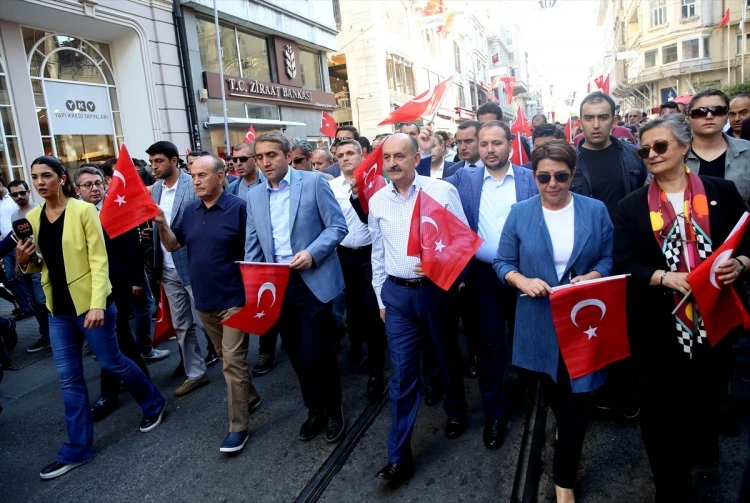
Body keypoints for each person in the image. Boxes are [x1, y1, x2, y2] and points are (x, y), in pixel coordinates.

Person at [613, 114, 750, 500]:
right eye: (644, 151)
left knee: (707, 399)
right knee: (660, 412)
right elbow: (624, 265)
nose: (652, 155)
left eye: (660, 146)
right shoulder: (630, 206)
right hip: (659, 327)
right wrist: (662, 277)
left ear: (685, 147)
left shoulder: (722, 191)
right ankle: (670, 486)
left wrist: (741, 264)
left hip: (714, 321)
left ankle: (702, 450)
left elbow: (746, 241)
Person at [17, 156, 166, 481]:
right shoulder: (32, 218)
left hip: (92, 306)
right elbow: (39, 266)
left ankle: (154, 403)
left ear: (61, 178)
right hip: (59, 311)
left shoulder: (83, 211)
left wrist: (98, 304)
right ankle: (77, 449)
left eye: (46, 175)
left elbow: (99, 261)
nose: (40, 182)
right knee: (69, 379)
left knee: (114, 362)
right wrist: (24, 260)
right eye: (35, 177)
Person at [494, 139, 613, 502]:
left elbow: (609, 259)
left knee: (578, 403)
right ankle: (564, 432)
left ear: (573, 174)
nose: (552, 184)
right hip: (538, 322)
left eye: (561, 176)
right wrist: (522, 280)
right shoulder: (520, 212)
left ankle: (563, 480)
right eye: (543, 177)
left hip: (582, 322)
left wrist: (593, 275)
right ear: (534, 177)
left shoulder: (595, 210)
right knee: (557, 397)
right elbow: (502, 262)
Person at [369, 133, 468, 483]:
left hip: (436, 291)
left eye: (399, 156)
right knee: (403, 375)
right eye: (387, 157)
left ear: (415, 159)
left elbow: (463, 241)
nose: (392, 163)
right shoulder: (378, 200)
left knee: (445, 355)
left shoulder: (441, 191)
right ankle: (399, 457)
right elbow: (377, 252)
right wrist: (380, 298)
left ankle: (456, 409)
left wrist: (441, 264)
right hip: (397, 297)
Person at [245, 132, 348, 443]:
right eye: (259, 157)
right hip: (276, 286)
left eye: (272, 155)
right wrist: (253, 286)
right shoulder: (254, 195)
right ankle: (314, 409)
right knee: (294, 352)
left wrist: (312, 253)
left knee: (317, 350)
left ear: (288, 156)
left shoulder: (314, 183)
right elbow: (253, 244)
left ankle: (333, 410)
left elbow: (337, 226)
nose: (265, 162)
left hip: (312, 280)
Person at [156, 155, 261, 453]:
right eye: (193, 175)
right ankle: (250, 396)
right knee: (226, 357)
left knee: (233, 362)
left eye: (202, 175)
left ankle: (238, 427)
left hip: (235, 298)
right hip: (204, 300)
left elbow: (255, 249)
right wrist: (162, 224)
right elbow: (173, 244)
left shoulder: (240, 208)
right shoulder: (189, 210)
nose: (196, 181)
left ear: (220, 176)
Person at [445, 120, 538, 450]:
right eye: (483, 144)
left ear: (510, 145)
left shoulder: (531, 179)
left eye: (496, 143)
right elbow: (427, 190)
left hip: (525, 274)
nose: (489, 150)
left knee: (527, 338)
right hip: (483, 277)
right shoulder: (462, 180)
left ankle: (532, 392)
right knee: (489, 346)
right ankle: (494, 414)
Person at [573, 91, 647, 420]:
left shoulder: (633, 156)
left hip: (629, 254)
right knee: (595, 325)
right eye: (589, 117)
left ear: (614, 120)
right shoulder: (570, 160)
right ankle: (604, 387)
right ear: (580, 122)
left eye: (603, 117)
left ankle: (628, 390)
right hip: (589, 257)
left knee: (630, 326)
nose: (596, 124)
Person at [148, 141, 213, 395]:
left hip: (193, 265)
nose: (154, 167)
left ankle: (232, 363)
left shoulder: (192, 183)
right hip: (166, 268)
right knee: (182, 326)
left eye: (159, 161)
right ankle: (195, 373)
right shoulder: (156, 189)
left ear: (174, 161)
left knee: (206, 321)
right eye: (152, 162)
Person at [329, 139, 386, 403]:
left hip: (371, 255)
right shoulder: (330, 187)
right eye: (340, 154)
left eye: (350, 153)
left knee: (372, 311)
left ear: (362, 155)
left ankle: (376, 370)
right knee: (352, 308)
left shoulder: (377, 183)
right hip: (343, 256)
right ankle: (355, 346)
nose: (345, 158)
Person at [5, 180, 50, 352]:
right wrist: (18, 262)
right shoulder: (14, 216)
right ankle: (45, 336)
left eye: (22, 193)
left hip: (41, 263)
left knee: (42, 300)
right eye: (15, 194)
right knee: (34, 303)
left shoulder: (40, 210)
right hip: (25, 264)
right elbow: (19, 241)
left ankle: (58, 334)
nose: (19, 196)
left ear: (28, 192)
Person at [686, 88, 750, 201]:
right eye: (700, 112)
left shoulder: (747, 151)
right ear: (688, 117)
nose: (709, 116)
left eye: (718, 110)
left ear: (726, 115)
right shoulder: (673, 154)